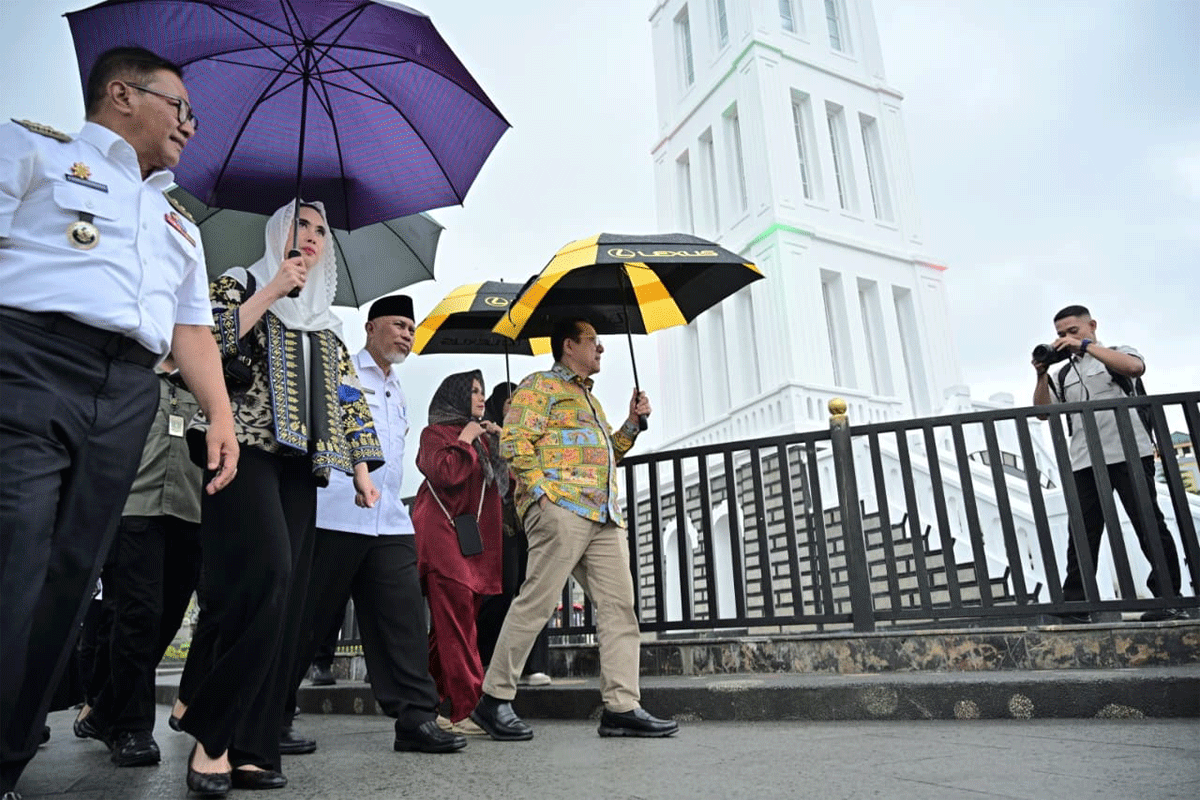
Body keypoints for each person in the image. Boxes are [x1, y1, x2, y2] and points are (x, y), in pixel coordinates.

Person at [0, 46, 238, 799]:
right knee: (15, 548)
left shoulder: (178, 222)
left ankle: (7, 759)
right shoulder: (32, 151)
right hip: (29, 360)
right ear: (122, 94)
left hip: (130, 389)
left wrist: (220, 414)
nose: (190, 126)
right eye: (181, 108)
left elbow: (190, 329)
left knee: (72, 576)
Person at [177, 200, 382, 796]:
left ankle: (253, 744)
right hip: (238, 448)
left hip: (300, 465)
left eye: (321, 230)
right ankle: (212, 732)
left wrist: (362, 469)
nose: (312, 236)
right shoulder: (239, 283)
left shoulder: (326, 322)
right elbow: (201, 342)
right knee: (267, 575)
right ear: (276, 232)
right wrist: (271, 290)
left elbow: (348, 397)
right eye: (301, 224)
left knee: (286, 600)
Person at [470, 318, 678, 740]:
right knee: (537, 601)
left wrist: (631, 424)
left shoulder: (590, 400)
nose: (600, 349)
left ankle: (622, 706)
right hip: (561, 507)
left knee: (620, 608)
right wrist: (542, 496)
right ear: (569, 346)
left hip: (603, 514)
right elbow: (514, 441)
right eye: (593, 342)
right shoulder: (539, 386)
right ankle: (493, 698)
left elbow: (609, 453)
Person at [287, 294, 465, 754]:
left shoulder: (397, 389)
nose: (407, 334)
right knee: (308, 619)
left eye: (411, 328)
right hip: (336, 513)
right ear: (370, 327)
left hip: (389, 522)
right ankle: (272, 713)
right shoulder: (343, 370)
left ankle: (415, 719)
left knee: (403, 621)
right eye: (398, 324)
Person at [76, 359, 204, 768]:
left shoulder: (208, 384)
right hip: (135, 510)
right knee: (137, 615)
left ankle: (103, 710)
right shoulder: (134, 377)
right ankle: (132, 729)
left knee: (166, 619)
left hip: (192, 512)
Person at [1032, 304, 1184, 623]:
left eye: (1073, 331)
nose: (1066, 338)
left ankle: (1169, 598)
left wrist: (1086, 346)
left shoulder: (1116, 352)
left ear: (1092, 325)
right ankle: (1077, 605)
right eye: (1061, 334)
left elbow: (1135, 368)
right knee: (1082, 533)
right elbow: (1043, 412)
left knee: (1148, 524)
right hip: (1084, 460)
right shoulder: (1062, 374)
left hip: (1129, 452)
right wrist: (1041, 373)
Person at [413, 371, 506, 734]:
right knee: (459, 622)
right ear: (455, 395)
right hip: (441, 535)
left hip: (470, 540)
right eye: (473, 391)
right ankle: (468, 709)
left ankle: (429, 701)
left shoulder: (482, 438)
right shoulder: (434, 434)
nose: (481, 398)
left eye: (482, 391)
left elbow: (504, 485)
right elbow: (445, 473)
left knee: (449, 628)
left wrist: (499, 441)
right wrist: (465, 439)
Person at [476, 382, 552, 687]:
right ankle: (488, 659)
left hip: (531, 519)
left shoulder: (533, 433)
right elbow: (488, 477)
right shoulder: (485, 434)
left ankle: (535, 665)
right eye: (509, 402)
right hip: (500, 523)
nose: (514, 407)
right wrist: (500, 437)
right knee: (503, 590)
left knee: (536, 587)